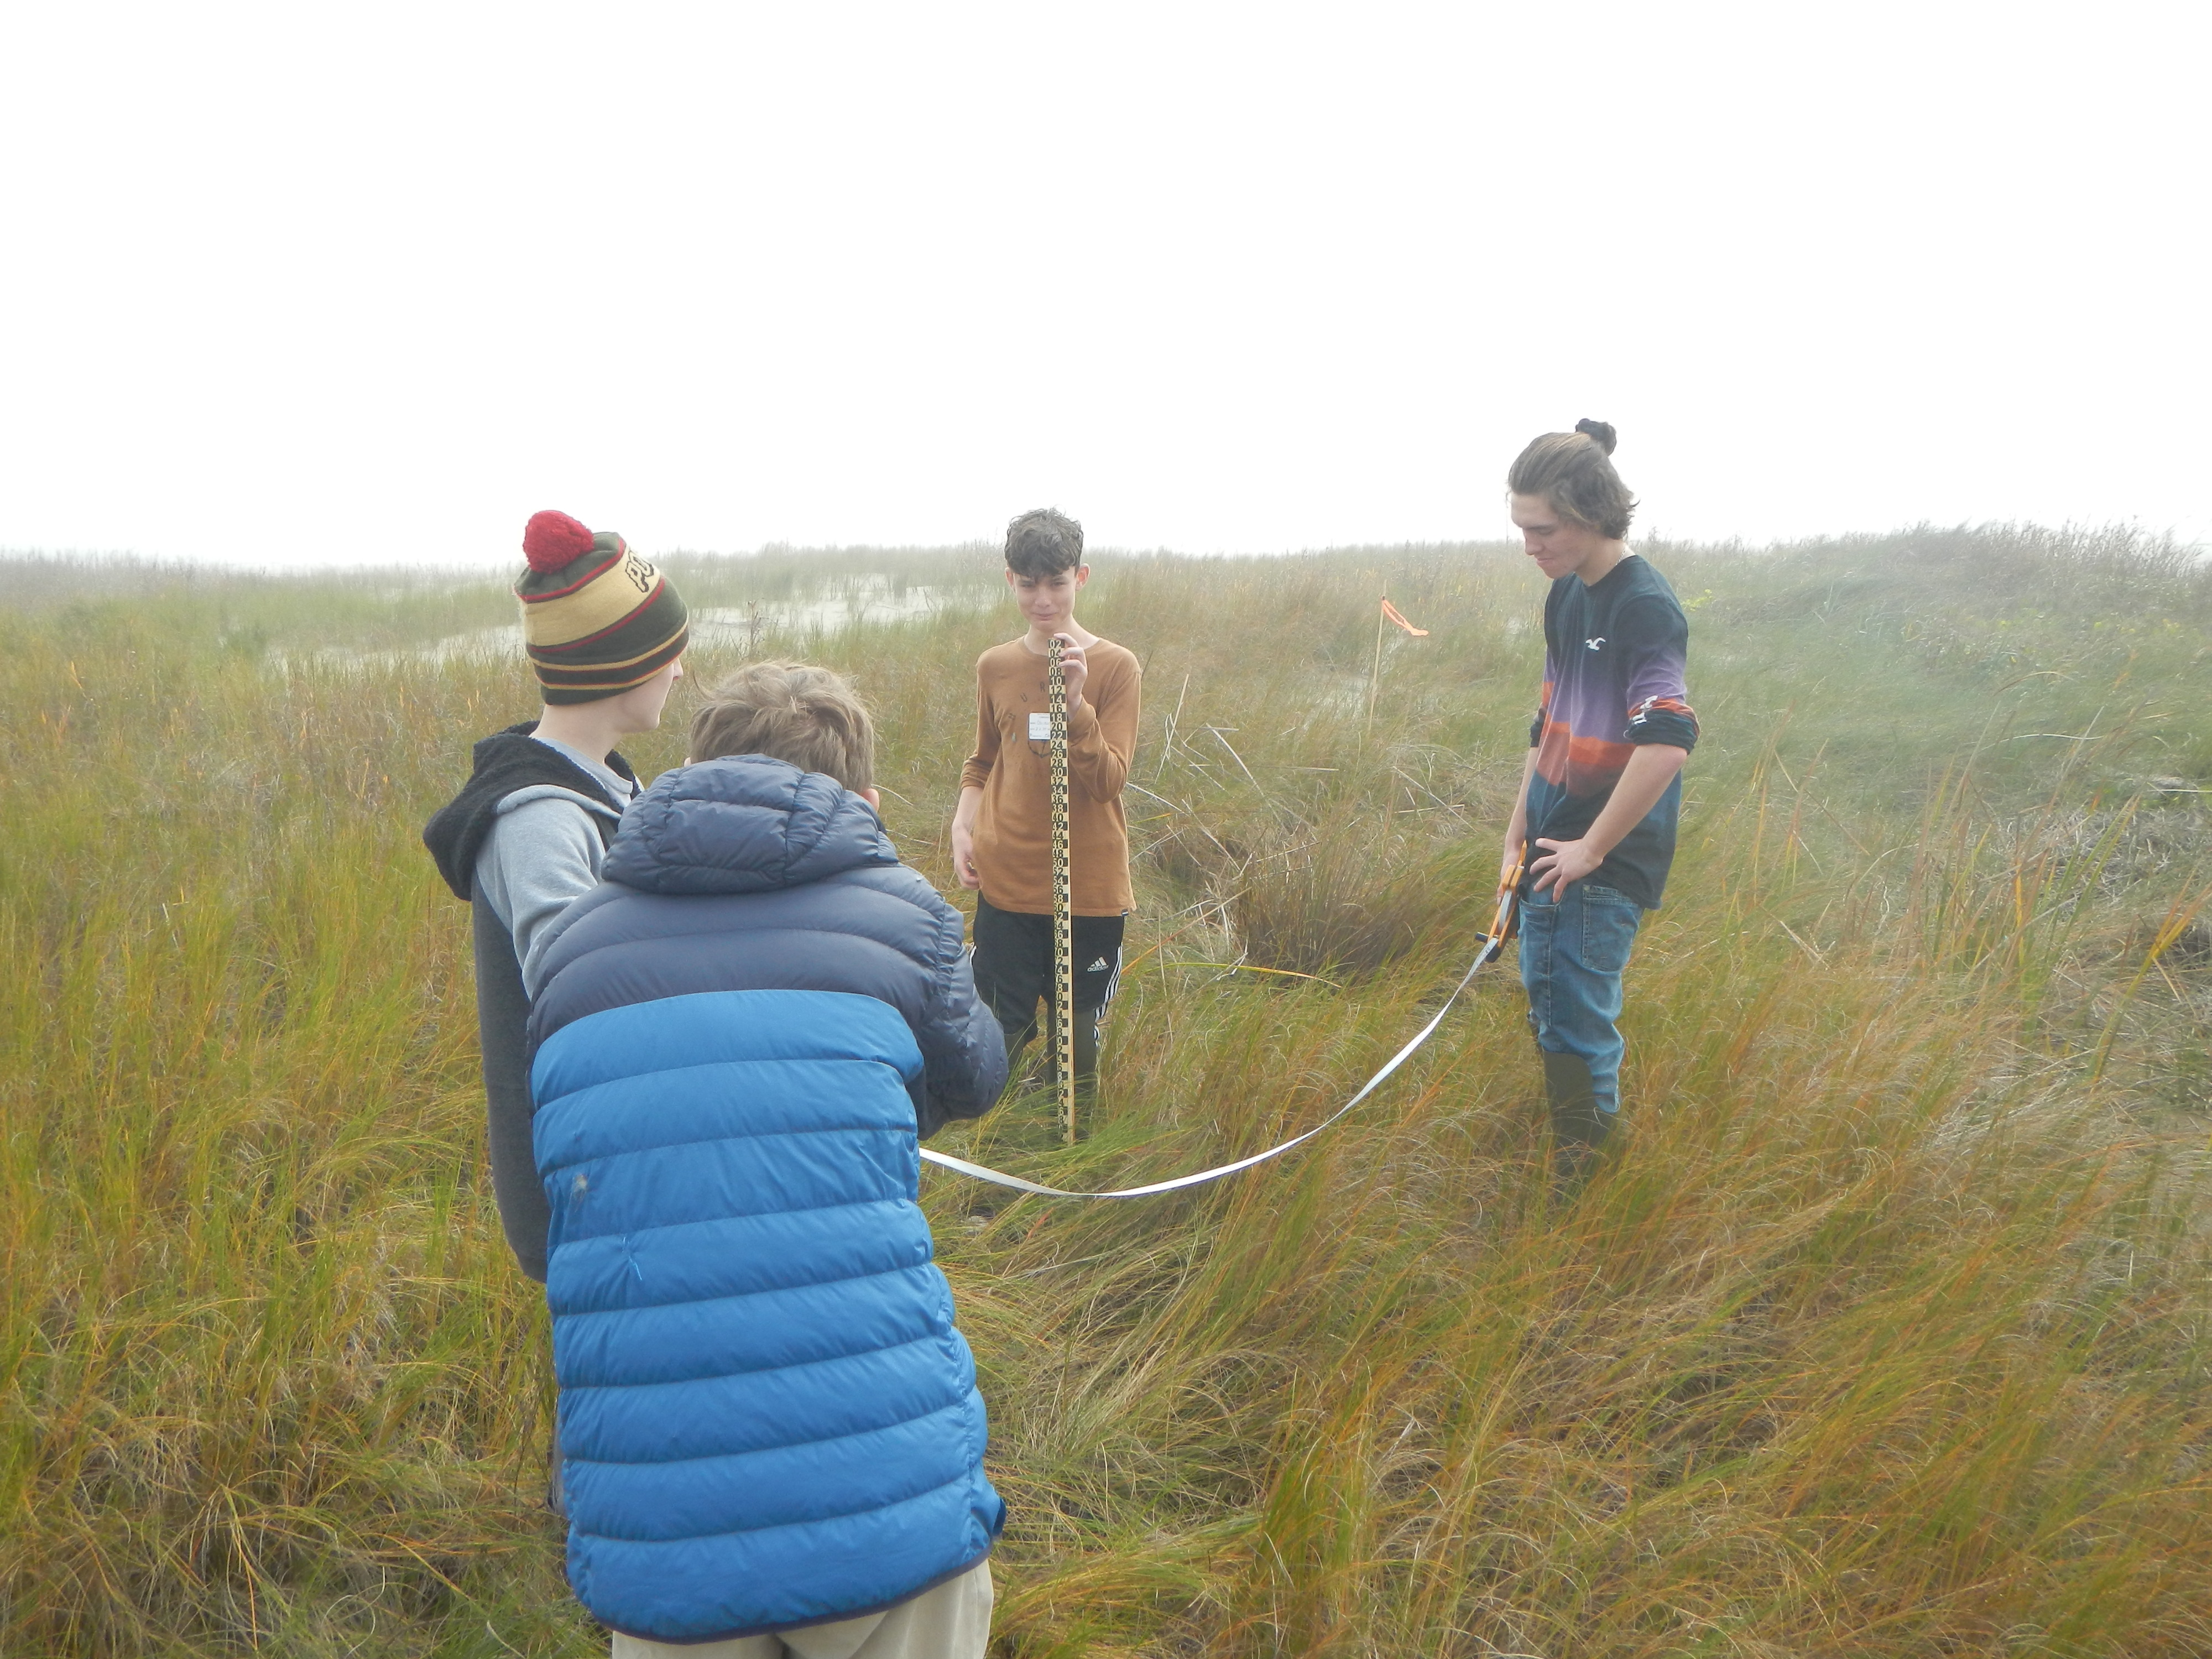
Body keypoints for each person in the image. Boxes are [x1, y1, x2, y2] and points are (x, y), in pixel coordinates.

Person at [524, 661, 1009, 1656]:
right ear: (865, 801)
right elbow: (978, 1078)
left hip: (656, 1525)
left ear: (680, 781)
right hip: (893, 1493)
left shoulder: (569, 954)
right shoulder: (908, 915)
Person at [422, 509, 687, 1282]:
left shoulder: (607, 787)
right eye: (667, 652)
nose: (679, 669)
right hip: (580, 1184)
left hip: (619, 1159)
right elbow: (585, 998)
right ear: (619, 666)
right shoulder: (539, 819)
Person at [1498, 421, 1698, 1187]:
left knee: (1577, 1025)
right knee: (1551, 1006)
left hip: (1594, 862)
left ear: (1588, 513)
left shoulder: (1644, 606)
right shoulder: (1565, 595)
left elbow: (1668, 740)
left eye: (1542, 530)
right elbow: (1548, 721)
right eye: (1520, 529)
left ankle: (1585, 1184)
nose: (1529, 546)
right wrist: (1517, 830)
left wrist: (1592, 851)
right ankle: (1577, 1158)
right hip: (1548, 845)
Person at [949, 508, 1140, 1105]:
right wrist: (962, 826)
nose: (1042, 599)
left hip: (1088, 887)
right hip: (1005, 883)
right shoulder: (996, 666)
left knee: (1077, 1049)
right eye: (1029, 584)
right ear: (1011, 580)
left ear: (1080, 578)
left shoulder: (1116, 667)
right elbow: (982, 762)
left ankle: (1074, 1159)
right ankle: (993, 1153)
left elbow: (1109, 779)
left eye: (1055, 583)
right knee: (999, 1033)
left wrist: (1077, 705)